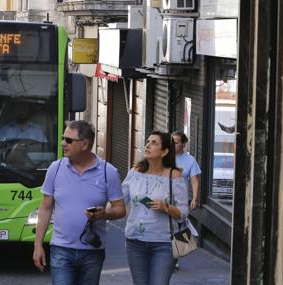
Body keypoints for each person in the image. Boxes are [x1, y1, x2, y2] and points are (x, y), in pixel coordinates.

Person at [33, 120, 126, 285]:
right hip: (61, 249)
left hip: (92, 251)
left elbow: (120, 209)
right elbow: (45, 208)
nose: (63, 143)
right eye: (63, 138)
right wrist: (38, 245)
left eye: (69, 140)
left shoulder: (108, 172)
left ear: (84, 144)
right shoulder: (55, 168)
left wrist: (104, 214)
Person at [122, 131, 188, 285]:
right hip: (135, 242)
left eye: (154, 143)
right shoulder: (135, 172)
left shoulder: (175, 176)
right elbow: (118, 199)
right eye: (147, 141)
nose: (148, 145)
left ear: (164, 151)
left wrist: (166, 207)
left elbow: (183, 213)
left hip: (164, 244)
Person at [172, 131, 201, 210]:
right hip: (163, 198)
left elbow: (194, 181)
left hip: (181, 200)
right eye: (171, 142)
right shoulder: (164, 157)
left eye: (175, 143)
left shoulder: (190, 160)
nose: (172, 145)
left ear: (183, 144)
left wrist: (194, 199)